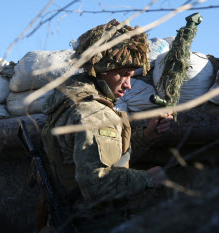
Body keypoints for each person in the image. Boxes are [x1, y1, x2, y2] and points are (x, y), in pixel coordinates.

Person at [41, 19, 173, 232]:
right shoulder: (94, 112)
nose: (128, 85)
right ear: (102, 69)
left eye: (131, 76)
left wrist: (146, 136)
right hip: (94, 221)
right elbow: (98, 184)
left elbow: (101, 158)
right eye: (123, 74)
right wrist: (148, 178)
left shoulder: (69, 99)